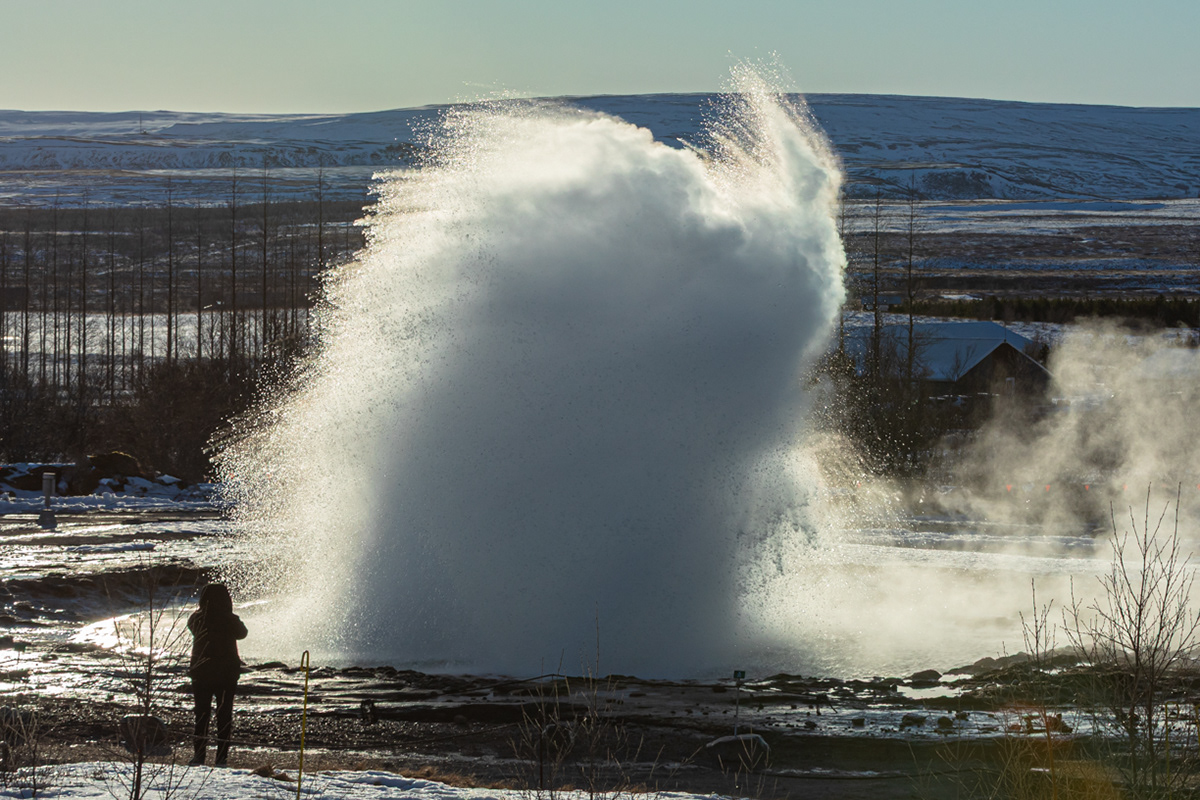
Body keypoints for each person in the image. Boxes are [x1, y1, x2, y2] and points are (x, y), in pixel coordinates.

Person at [187, 583, 247, 767]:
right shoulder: (229, 619)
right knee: (224, 716)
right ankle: (221, 758)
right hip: (226, 674)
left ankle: (199, 756)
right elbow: (243, 633)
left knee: (202, 715)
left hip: (201, 673)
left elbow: (193, 629)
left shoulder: (196, 618)